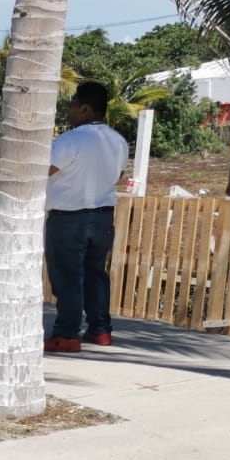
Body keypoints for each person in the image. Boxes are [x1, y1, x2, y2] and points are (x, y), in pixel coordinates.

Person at [45, 81, 130, 353]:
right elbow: (117, 176)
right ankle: (100, 330)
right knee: (96, 274)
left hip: (68, 217)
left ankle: (67, 334)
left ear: (84, 108)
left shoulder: (70, 139)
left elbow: (44, 170)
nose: (67, 110)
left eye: (71, 105)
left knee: (68, 276)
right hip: (104, 215)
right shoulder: (118, 140)